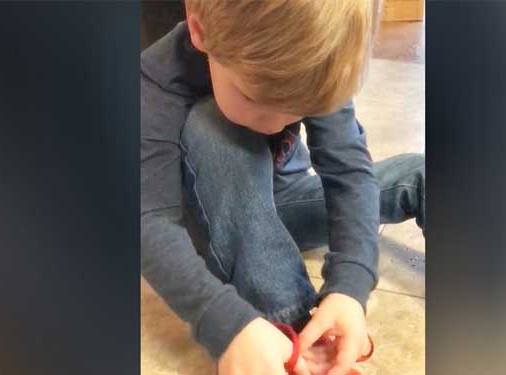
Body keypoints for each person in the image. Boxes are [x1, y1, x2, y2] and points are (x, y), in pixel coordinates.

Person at [141, 1, 425, 374]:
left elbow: (349, 172)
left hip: (283, 199)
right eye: (256, 101)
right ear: (199, 31)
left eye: (297, 111)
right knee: (212, 127)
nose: (275, 127)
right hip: (207, 217)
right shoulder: (155, 81)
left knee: (417, 173)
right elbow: (151, 221)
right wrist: (228, 325)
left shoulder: (319, 54)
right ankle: (294, 326)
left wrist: (350, 287)